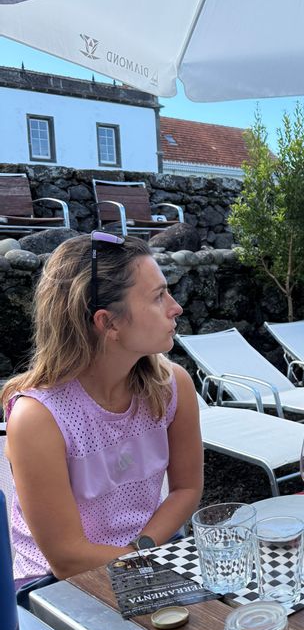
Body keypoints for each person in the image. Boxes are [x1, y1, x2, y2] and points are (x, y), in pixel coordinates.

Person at [3, 232, 203, 583]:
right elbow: (67, 559)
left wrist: (141, 551)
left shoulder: (172, 386)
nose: (176, 307)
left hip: (146, 555)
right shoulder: (39, 418)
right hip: (54, 586)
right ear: (108, 323)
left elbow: (186, 489)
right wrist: (146, 565)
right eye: (158, 296)